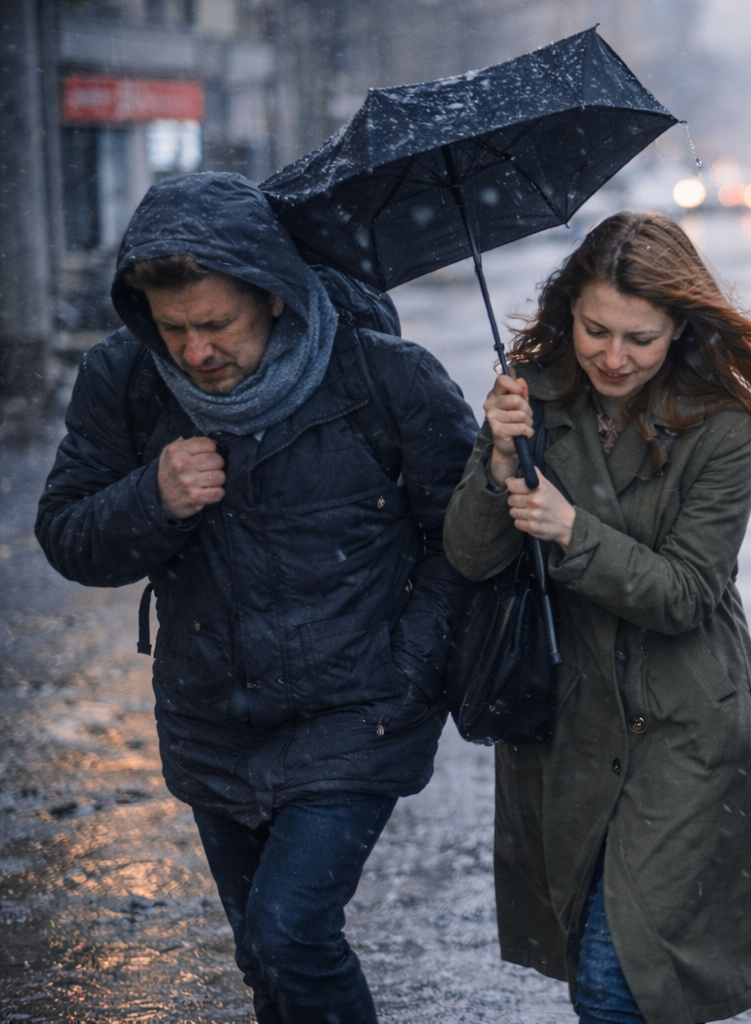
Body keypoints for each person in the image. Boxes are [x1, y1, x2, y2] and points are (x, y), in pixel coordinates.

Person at [34, 173, 478, 1024]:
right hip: (212, 716)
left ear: (274, 298)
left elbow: (467, 539)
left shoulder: (385, 379)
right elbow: (66, 536)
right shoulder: (125, 382)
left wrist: (410, 665)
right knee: (262, 959)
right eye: (173, 330)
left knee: (290, 933)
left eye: (215, 325)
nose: (195, 351)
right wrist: (150, 499)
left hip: (358, 711)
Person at [442, 211, 751, 1024]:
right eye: (595, 330)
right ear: (567, 310)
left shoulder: (721, 424)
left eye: (639, 339)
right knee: (593, 964)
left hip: (683, 723)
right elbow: (472, 558)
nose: (613, 357)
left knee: (627, 978)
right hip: (567, 717)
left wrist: (572, 530)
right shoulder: (528, 397)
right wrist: (499, 460)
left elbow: (685, 592)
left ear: (678, 327)